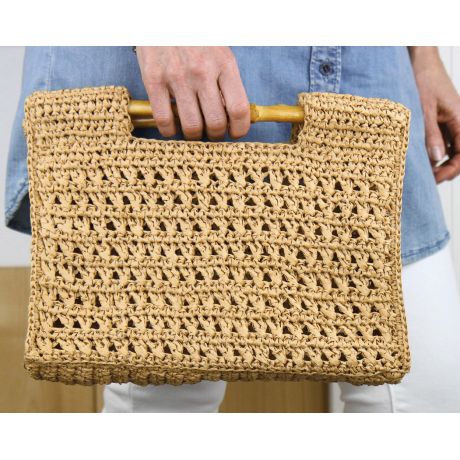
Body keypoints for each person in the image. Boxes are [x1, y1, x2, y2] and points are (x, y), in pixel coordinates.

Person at [5, 46, 460, 412]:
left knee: (426, 390)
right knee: (159, 384)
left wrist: (425, 54)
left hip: (362, 58)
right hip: (182, 62)